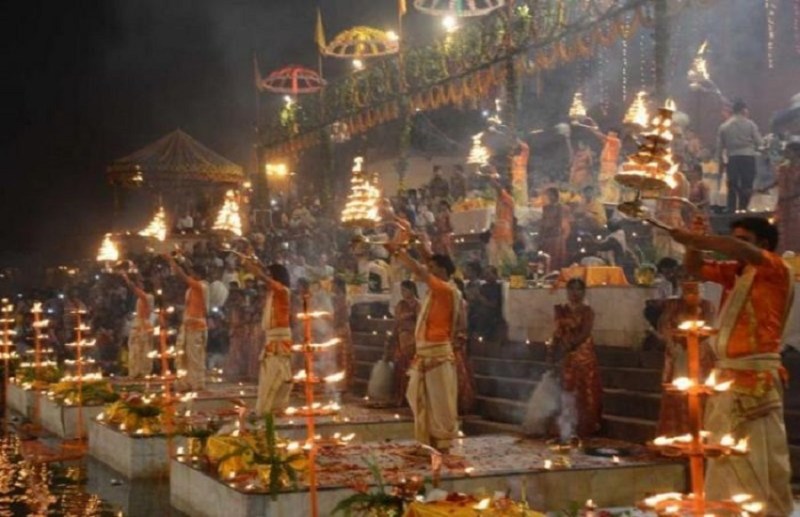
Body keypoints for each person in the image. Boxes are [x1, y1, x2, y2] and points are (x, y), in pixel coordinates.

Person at [670, 216, 794, 515]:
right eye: (734, 238)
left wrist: (694, 239)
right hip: (726, 377)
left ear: (763, 246)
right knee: (723, 455)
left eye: (743, 240)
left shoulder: (775, 269)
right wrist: (695, 240)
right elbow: (694, 267)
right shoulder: (736, 273)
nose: (734, 247)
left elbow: (732, 248)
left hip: (756, 381)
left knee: (758, 456)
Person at [387, 234, 461, 453]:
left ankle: (444, 444)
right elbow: (426, 263)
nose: (429, 270)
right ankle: (427, 443)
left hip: (438, 354)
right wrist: (416, 240)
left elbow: (421, 270)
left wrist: (397, 252)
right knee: (419, 399)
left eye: (434, 268)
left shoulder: (446, 290)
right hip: (425, 354)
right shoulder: (435, 290)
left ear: (443, 271)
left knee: (440, 403)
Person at [655, 283, 715, 436]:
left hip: (700, 355)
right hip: (677, 353)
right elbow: (665, 326)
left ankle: (698, 437)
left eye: (695, 291)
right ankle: (676, 435)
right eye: (688, 291)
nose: (692, 295)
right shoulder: (674, 306)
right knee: (677, 394)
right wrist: (675, 342)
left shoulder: (707, 306)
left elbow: (710, 328)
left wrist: (696, 344)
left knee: (699, 396)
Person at [552, 278, 603, 439]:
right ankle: (567, 425)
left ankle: (585, 424)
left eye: (578, 289)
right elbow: (557, 331)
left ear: (583, 292)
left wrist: (572, 344)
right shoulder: (561, 310)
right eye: (571, 289)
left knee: (584, 388)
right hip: (566, 353)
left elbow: (586, 332)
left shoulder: (587, 311)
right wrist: (555, 347)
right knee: (566, 389)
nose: (575, 293)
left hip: (583, 354)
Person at [245, 260, 294, 416]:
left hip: (279, 338)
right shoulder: (272, 293)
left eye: (270, 275)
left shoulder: (283, 291)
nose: (268, 279)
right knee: (270, 375)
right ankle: (271, 409)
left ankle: (269, 410)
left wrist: (255, 271)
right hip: (272, 338)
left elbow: (265, 279)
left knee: (274, 376)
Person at [166, 255, 208, 391]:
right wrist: (182, 258)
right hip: (189, 326)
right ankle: (186, 382)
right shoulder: (193, 288)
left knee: (195, 357)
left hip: (197, 326)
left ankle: (197, 383)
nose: (191, 274)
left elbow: (182, 276)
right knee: (185, 356)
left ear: (199, 274)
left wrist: (171, 261)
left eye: (194, 273)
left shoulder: (202, 286)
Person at [717, 99, 763, 212]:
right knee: (747, 183)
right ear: (743, 110)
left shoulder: (724, 126)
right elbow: (759, 143)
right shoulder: (751, 124)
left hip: (732, 157)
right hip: (748, 157)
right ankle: (743, 207)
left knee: (732, 183)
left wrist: (720, 162)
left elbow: (720, 147)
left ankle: (731, 207)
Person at [761, 137, 800, 253]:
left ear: (797, 152)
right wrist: (765, 187)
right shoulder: (783, 167)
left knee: (795, 228)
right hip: (782, 203)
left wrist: (791, 196)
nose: (786, 153)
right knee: (781, 228)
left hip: (795, 204)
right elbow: (778, 181)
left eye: (789, 151)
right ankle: (783, 253)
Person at [119, 272, 154, 379]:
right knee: (135, 350)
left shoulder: (148, 297)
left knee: (142, 350)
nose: (140, 285)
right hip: (140, 323)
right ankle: (135, 372)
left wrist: (127, 278)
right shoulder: (143, 297)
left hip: (143, 325)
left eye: (142, 284)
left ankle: (142, 372)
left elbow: (134, 289)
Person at [391, 280, 419, 407]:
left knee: (410, 367)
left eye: (405, 290)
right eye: (401, 290)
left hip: (412, 337)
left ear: (412, 290)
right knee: (400, 366)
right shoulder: (400, 305)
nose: (403, 293)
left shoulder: (418, 304)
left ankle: (411, 397)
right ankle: (400, 395)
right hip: (401, 337)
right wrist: (393, 335)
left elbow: (420, 322)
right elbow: (396, 321)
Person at [487, 173, 516, 267]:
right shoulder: (501, 199)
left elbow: (498, 189)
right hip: (497, 231)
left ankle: (513, 272)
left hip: (504, 232)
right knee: (494, 257)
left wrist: (492, 177)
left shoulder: (507, 198)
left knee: (507, 256)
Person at [539, 187, 571, 271]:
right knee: (545, 261)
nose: (543, 199)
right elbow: (543, 223)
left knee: (556, 261)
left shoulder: (561, 208)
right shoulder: (546, 208)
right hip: (547, 239)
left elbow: (562, 225)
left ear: (554, 196)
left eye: (546, 196)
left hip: (556, 239)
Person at [332, 277, 354, 390]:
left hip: (342, 329)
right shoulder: (335, 298)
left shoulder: (343, 299)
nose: (332, 287)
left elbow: (341, 315)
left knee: (343, 356)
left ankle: (344, 383)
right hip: (337, 328)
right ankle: (338, 382)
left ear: (338, 286)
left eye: (334, 284)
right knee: (337, 356)